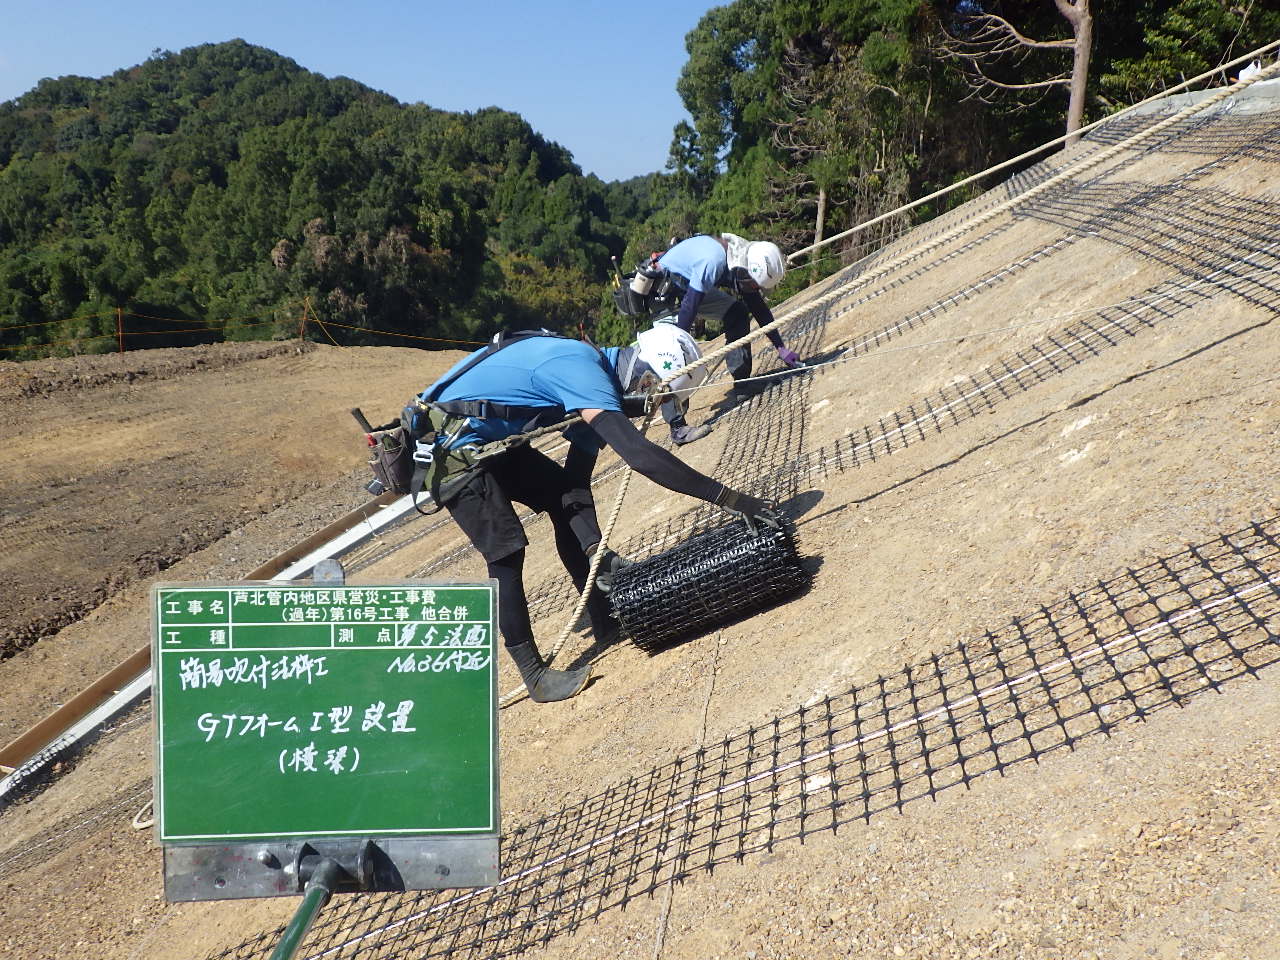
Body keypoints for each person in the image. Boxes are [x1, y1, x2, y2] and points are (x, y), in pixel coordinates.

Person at [419, 331, 776, 703]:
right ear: (645, 379)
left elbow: (574, 484)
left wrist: (595, 551)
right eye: (657, 397)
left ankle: (603, 615)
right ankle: (534, 676)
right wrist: (732, 499)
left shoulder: (592, 377)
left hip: (480, 438)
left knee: (558, 495)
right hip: (445, 448)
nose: (652, 408)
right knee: (506, 553)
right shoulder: (583, 374)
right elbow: (641, 456)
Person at [656, 233, 803, 397]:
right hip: (664, 290)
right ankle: (675, 406)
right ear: (747, 274)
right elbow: (689, 307)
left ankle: (742, 384)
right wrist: (678, 353)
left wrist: (781, 349)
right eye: (754, 285)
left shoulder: (743, 258)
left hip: (691, 284)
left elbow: (759, 308)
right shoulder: (713, 261)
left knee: (737, 314)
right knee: (675, 349)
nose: (755, 290)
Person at [634, 316, 712, 446]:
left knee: (676, 375)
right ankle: (678, 428)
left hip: (674, 326)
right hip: (665, 326)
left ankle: (679, 422)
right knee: (666, 374)